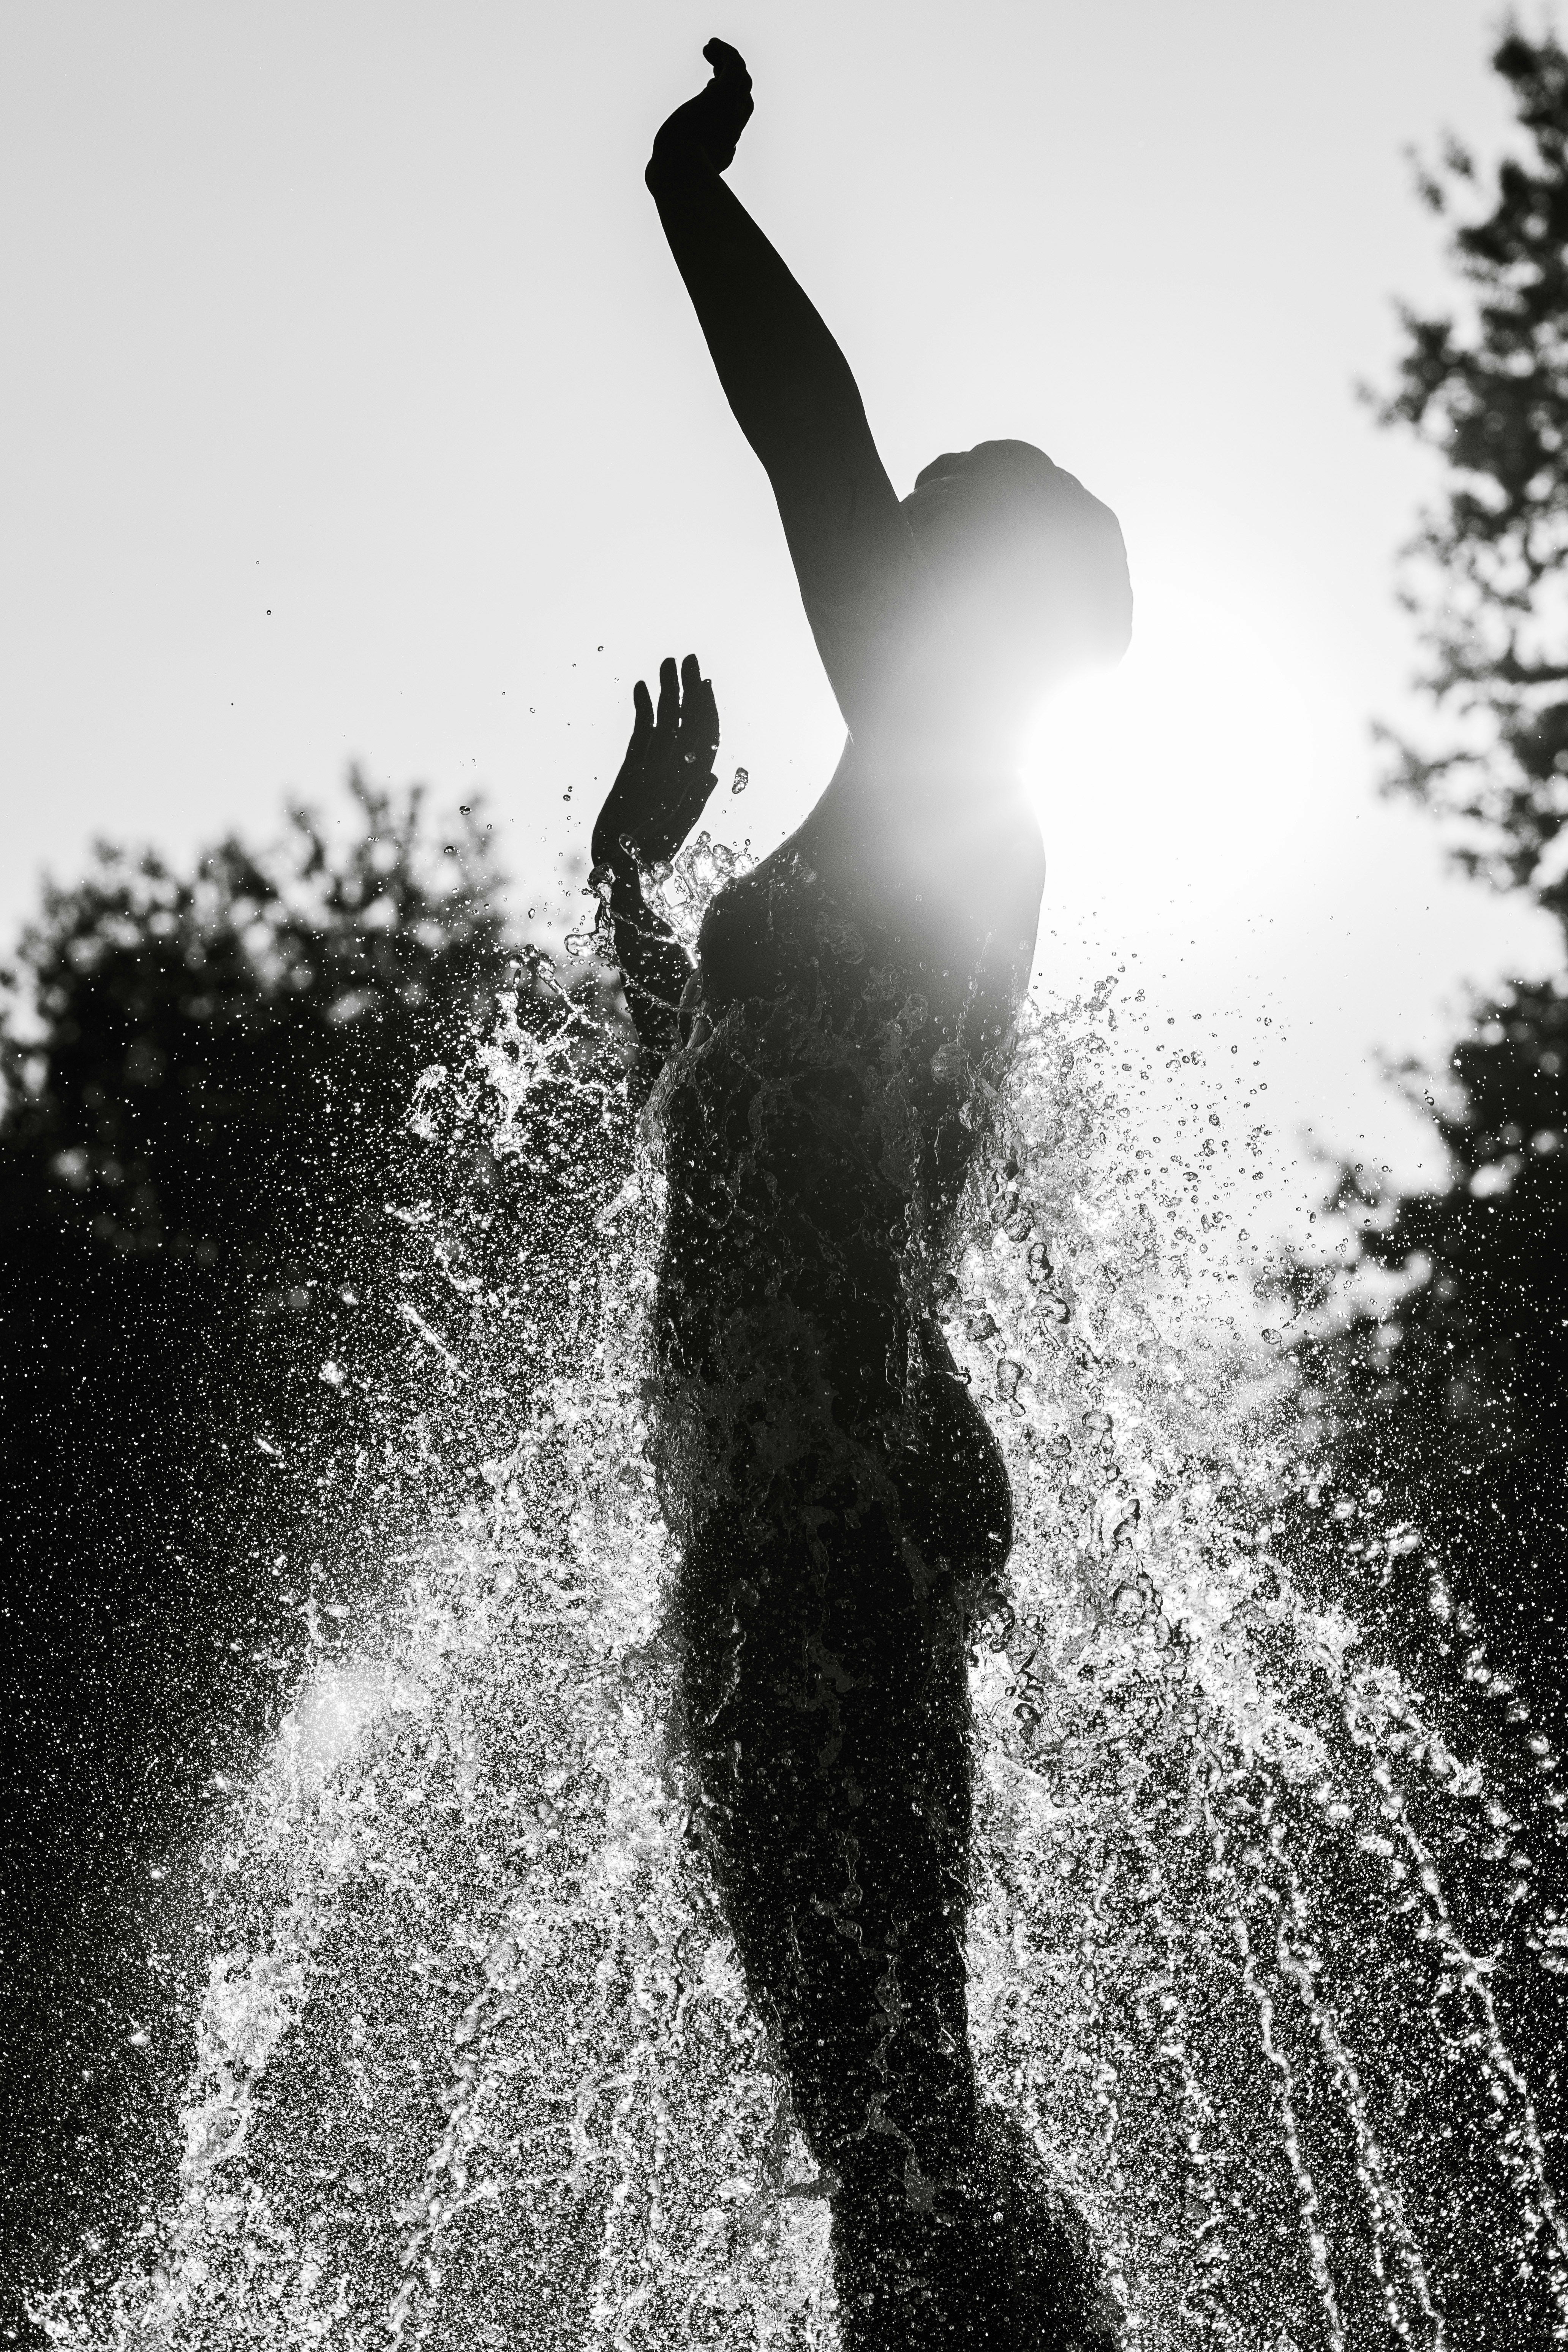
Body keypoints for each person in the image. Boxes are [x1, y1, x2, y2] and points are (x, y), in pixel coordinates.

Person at [591, 40, 1131, 2349]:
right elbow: (712, 1100)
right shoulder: (908, 833)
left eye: (935, 514)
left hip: (836, 1497)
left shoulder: (957, 793)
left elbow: (804, 435)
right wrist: (630, 877)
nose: (887, 522)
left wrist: (687, 201)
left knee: (888, 2100)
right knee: (882, 2091)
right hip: (804, 1487)